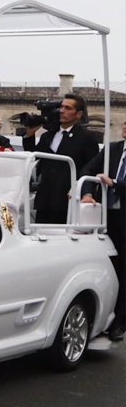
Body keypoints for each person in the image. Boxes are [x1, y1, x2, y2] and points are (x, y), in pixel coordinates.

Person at [80, 120, 126, 341]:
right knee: (107, 267)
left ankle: (120, 322)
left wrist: (115, 183)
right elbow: (89, 169)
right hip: (107, 217)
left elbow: (113, 181)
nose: (125, 127)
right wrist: (87, 192)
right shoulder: (112, 149)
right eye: (125, 123)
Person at [22, 94, 99, 224]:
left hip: (68, 200)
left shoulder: (87, 137)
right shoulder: (48, 136)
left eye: (68, 108)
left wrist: (86, 192)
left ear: (78, 114)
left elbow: (91, 168)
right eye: (61, 107)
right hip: (45, 200)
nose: (62, 111)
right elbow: (34, 156)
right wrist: (30, 134)